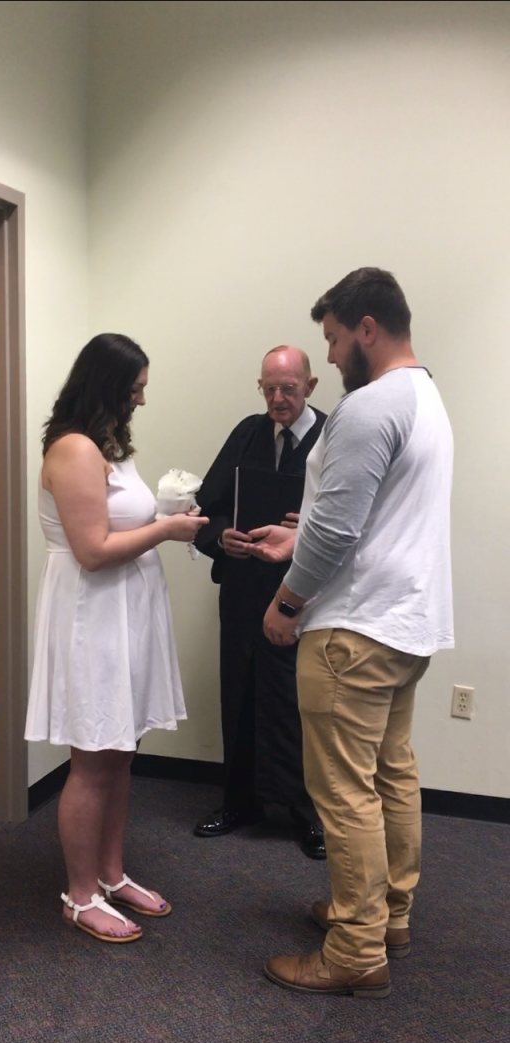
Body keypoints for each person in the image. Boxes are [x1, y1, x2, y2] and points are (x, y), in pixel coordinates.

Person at [250, 269, 453, 998]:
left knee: (344, 794)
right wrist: (297, 535)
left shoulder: (369, 405)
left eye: (334, 339)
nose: (331, 356)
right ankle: (387, 916)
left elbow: (338, 531)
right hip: (405, 625)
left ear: (367, 328)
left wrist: (286, 602)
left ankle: (355, 950)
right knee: (391, 773)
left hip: (354, 632)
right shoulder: (425, 396)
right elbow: (363, 517)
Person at [25, 334, 208, 943]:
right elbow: (93, 551)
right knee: (93, 758)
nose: (141, 401)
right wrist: (166, 529)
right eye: (135, 389)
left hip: (126, 612)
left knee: (121, 752)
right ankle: (80, 897)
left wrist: (164, 517)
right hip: (93, 616)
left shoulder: (109, 447)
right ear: (105, 385)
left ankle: (110, 873)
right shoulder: (74, 449)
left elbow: (119, 524)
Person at [193, 346, 328, 859]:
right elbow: (207, 507)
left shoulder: (332, 437)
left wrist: (308, 529)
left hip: (305, 596)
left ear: (310, 386)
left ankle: (309, 814)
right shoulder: (248, 434)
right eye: (268, 388)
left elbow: (353, 515)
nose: (277, 398)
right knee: (241, 692)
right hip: (245, 591)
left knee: (304, 703)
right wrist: (221, 536)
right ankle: (240, 801)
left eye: (288, 389)